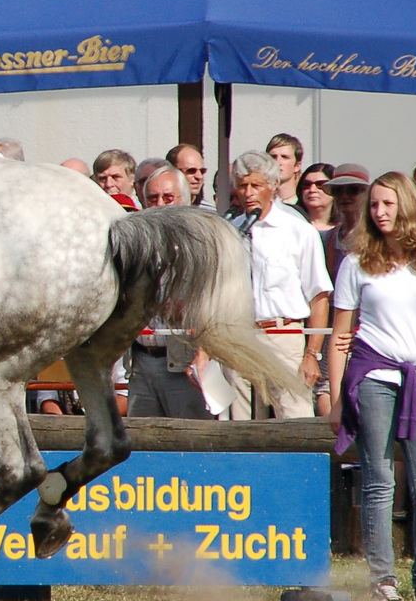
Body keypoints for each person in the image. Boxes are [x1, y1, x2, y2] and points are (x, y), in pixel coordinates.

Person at [327, 171, 416, 601]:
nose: (380, 213)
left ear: (407, 207)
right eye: (374, 205)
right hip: (373, 379)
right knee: (379, 480)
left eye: (388, 204)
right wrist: (334, 397)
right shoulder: (356, 263)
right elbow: (340, 334)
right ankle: (382, 578)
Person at [227, 151, 330, 420]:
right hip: (240, 337)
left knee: (294, 417)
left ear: (273, 185)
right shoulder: (231, 232)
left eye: (256, 185)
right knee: (241, 422)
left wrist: (312, 354)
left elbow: (319, 295)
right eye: (242, 185)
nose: (248, 193)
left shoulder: (297, 230)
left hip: (283, 335)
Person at [126, 167, 212, 420]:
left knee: (190, 442)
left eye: (167, 197)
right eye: (152, 198)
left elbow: (214, 305)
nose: (160, 204)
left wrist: (202, 353)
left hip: (183, 363)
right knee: (141, 444)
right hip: (141, 361)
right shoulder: (136, 244)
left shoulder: (200, 245)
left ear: (184, 201)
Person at [166, 143, 212, 208]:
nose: (199, 176)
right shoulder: (161, 208)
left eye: (202, 171)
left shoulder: (210, 212)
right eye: (191, 171)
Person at [265, 133, 304, 206]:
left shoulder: (305, 205)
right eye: (273, 157)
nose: (278, 162)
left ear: (297, 166)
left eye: (285, 157)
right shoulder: (262, 205)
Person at [297, 162, 334, 230]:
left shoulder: (345, 229)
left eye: (320, 184)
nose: (312, 190)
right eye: (307, 184)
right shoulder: (290, 224)